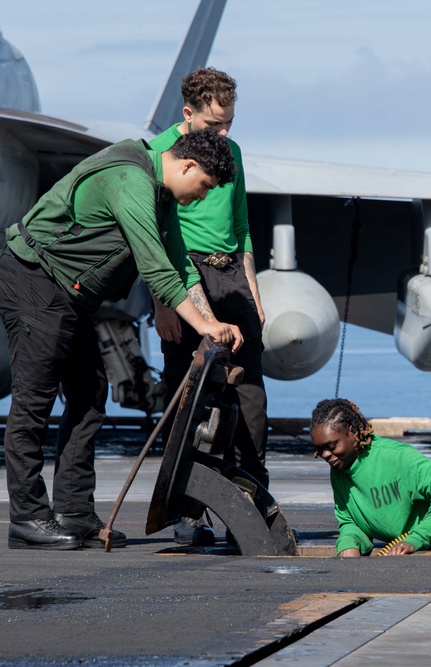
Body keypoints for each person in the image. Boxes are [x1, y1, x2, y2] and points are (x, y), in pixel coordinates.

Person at [0, 128, 243, 550]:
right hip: (33, 279)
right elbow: (156, 269)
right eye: (203, 187)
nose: (201, 197)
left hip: (68, 295)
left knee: (90, 393)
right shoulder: (131, 182)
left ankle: (73, 512)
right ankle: (28, 518)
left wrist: (212, 321)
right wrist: (202, 326)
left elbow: (180, 264)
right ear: (187, 165)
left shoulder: (160, 195)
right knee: (33, 402)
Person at [149, 68, 269, 547]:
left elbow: (241, 226)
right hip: (182, 275)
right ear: (188, 114)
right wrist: (162, 303)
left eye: (230, 124)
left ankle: (253, 507)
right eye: (214, 125)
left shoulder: (232, 152)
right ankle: (188, 514)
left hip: (230, 276)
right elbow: (152, 238)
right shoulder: (161, 152)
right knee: (189, 399)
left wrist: (253, 292)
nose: (223, 135)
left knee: (250, 395)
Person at [310, 399, 431, 557]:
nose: (325, 455)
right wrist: (349, 544)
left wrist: (416, 539)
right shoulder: (339, 469)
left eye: (331, 446)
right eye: (319, 449)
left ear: (351, 432)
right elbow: (350, 521)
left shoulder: (397, 457)